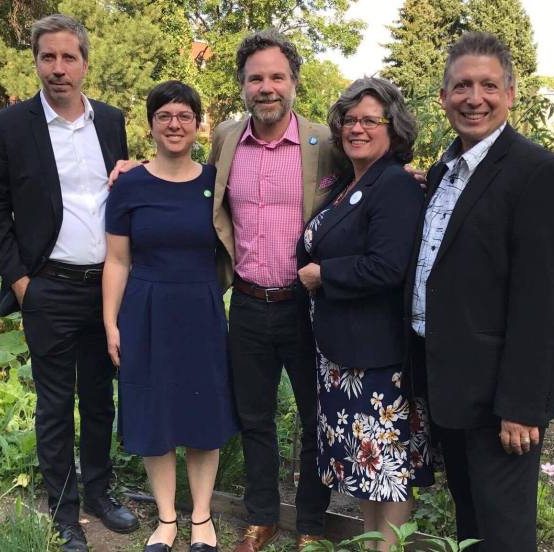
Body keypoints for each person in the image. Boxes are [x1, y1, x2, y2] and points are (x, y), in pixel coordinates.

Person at [407, 32, 554, 552]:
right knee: (471, 523)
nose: (474, 98)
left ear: (510, 94)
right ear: (444, 96)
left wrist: (522, 405)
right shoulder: (444, 171)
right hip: (451, 385)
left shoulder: (538, 173)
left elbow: (544, 301)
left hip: (501, 399)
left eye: (487, 86)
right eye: (462, 86)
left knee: (504, 533)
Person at [0, 14, 138, 552]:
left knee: (100, 398)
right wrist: (22, 283)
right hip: (48, 286)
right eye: (48, 57)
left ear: (85, 63)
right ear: (36, 62)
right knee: (54, 404)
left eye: (69, 57)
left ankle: (99, 492)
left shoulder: (110, 121)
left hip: (106, 287)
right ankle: (64, 512)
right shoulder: (9, 127)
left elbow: (121, 195)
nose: (59, 68)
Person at [207, 31, 338, 552]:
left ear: (294, 82)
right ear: (242, 85)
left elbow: (366, 183)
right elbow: (195, 184)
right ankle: (262, 516)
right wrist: (134, 170)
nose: (267, 87)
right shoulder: (226, 139)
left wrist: (409, 178)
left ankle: (311, 523)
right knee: (254, 418)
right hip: (246, 303)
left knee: (316, 417)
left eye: (276, 76)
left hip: (306, 306)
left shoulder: (323, 142)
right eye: (255, 78)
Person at [296, 77, 432, 551]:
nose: (357, 128)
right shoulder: (349, 183)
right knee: (367, 471)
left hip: (377, 360)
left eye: (370, 120)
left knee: (388, 472)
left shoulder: (394, 185)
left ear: (393, 129)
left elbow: (388, 266)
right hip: (344, 355)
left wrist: (324, 274)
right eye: (349, 120)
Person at [103, 80, 239, 552]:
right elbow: (117, 260)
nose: (175, 124)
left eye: (184, 116)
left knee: (204, 413)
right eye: (164, 116)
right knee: (153, 415)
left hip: (201, 310)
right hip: (145, 311)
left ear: (198, 125)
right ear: (151, 125)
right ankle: (166, 519)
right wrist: (110, 322)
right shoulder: (129, 185)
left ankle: (201, 517)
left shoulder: (216, 182)